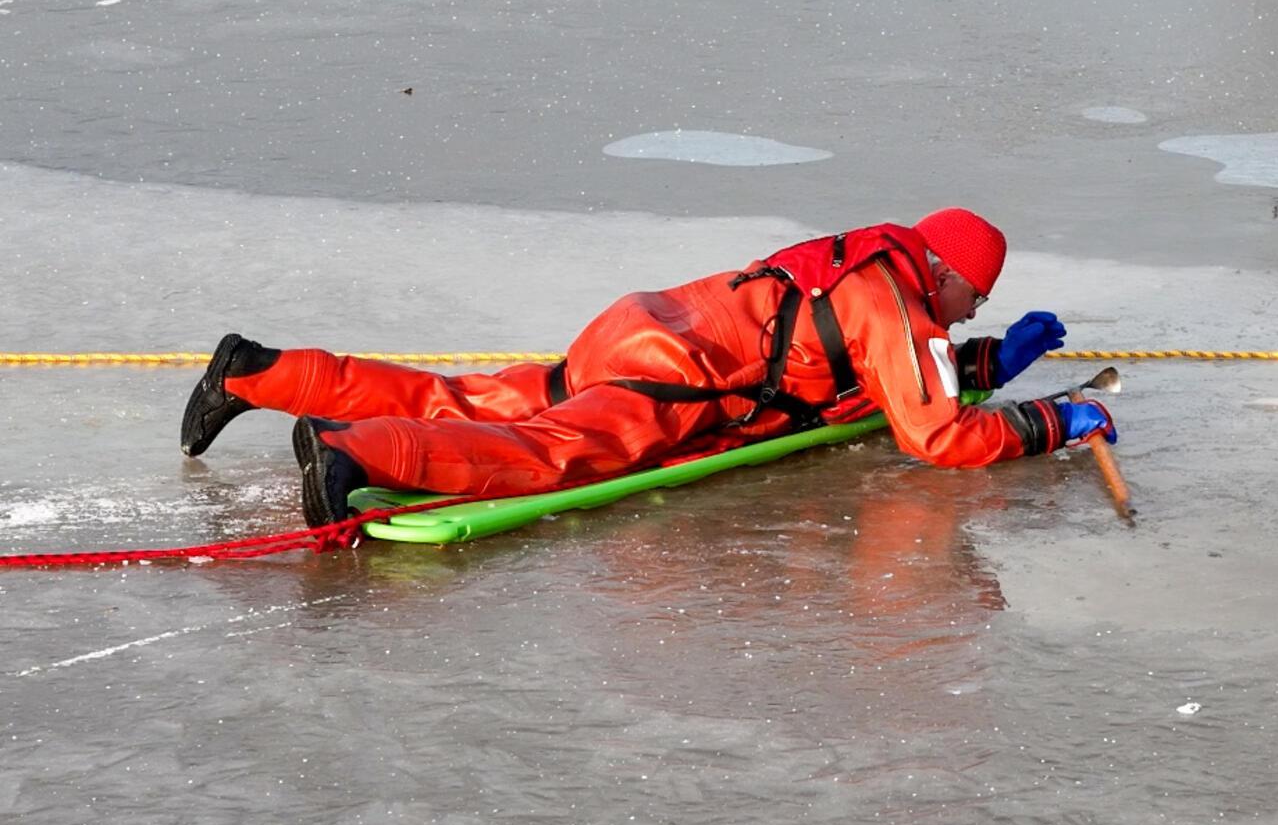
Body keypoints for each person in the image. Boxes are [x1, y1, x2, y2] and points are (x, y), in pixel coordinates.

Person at [179, 208, 1118, 527]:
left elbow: (887, 370)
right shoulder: (900, 304)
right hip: (674, 379)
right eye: (975, 305)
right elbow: (934, 430)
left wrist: (997, 359)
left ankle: (260, 373)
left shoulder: (874, 261)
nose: (967, 317)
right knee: (544, 453)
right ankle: (352, 455)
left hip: (636, 328)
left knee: (462, 393)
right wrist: (1051, 425)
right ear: (948, 275)